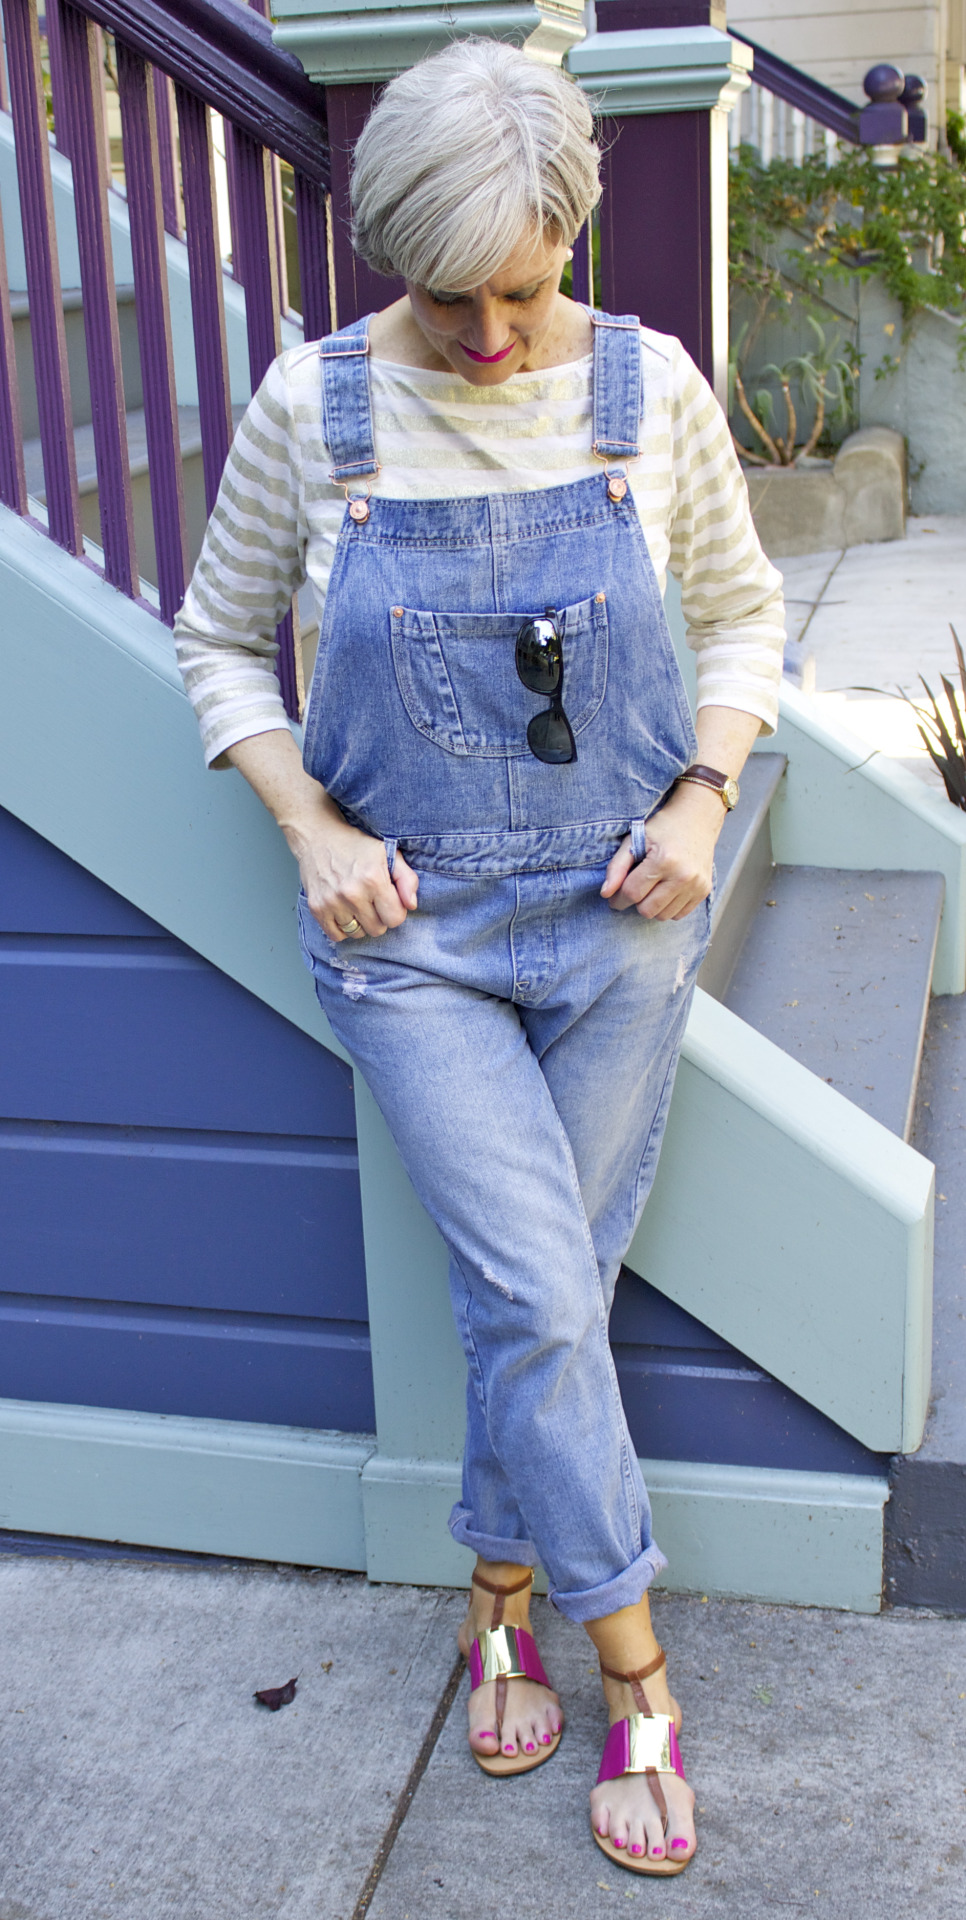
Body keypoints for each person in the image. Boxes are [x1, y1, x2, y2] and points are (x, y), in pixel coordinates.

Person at [175, 38, 784, 1876]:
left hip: (620, 918)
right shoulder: (313, 407)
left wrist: (703, 799)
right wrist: (313, 828)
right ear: (389, 256)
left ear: (570, 241)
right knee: (534, 1292)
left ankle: (497, 1595)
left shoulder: (650, 391)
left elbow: (744, 615)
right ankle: (636, 1671)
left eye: (525, 290)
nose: (496, 339)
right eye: (452, 300)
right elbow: (216, 642)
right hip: (411, 942)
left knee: (544, 1299)